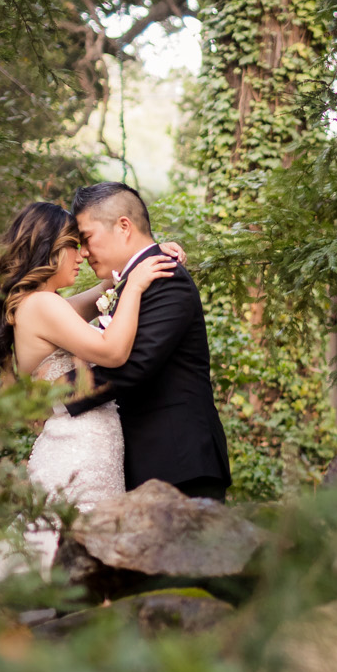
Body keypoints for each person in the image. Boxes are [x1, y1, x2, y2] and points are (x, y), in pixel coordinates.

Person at [0, 200, 178, 582]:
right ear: (49, 248)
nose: (82, 254)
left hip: (81, 445)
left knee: (69, 555)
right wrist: (135, 286)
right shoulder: (43, 305)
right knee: (63, 555)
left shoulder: (41, 305)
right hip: (79, 452)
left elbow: (100, 291)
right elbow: (113, 352)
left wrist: (144, 257)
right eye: (73, 244)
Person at [64, 181, 233, 500]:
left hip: (179, 466)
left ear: (123, 226)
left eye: (86, 238)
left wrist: (57, 393)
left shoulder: (166, 277)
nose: (83, 252)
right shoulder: (133, 280)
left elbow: (134, 366)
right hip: (154, 465)